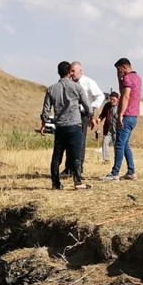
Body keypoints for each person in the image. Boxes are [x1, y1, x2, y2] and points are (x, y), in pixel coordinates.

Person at [41, 60, 92, 190]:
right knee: (75, 155)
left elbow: (46, 110)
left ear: (58, 73)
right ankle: (78, 182)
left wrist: (43, 124)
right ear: (70, 72)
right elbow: (87, 105)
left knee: (57, 156)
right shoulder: (77, 87)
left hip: (60, 127)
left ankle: (55, 183)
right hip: (74, 125)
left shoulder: (51, 89)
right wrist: (90, 114)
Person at [103, 57, 140, 181]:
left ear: (124, 66)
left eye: (119, 69)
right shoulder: (137, 78)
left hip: (127, 115)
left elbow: (125, 96)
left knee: (119, 144)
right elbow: (123, 91)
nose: (119, 72)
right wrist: (119, 78)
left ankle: (115, 173)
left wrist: (120, 115)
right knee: (125, 145)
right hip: (134, 116)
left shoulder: (128, 78)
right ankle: (131, 171)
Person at [69, 62, 104, 178]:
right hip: (70, 115)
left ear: (80, 71)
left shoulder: (88, 82)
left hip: (82, 114)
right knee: (69, 141)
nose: (72, 73)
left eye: (74, 71)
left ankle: (78, 168)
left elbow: (100, 96)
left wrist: (90, 107)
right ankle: (69, 168)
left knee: (80, 142)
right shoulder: (69, 83)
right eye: (70, 71)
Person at [98, 92, 119, 162]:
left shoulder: (120, 107)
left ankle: (117, 160)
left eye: (113, 99)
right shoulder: (107, 105)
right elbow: (102, 115)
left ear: (117, 99)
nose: (111, 101)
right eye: (110, 99)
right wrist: (99, 119)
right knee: (105, 142)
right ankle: (106, 160)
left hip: (117, 129)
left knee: (117, 145)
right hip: (108, 129)